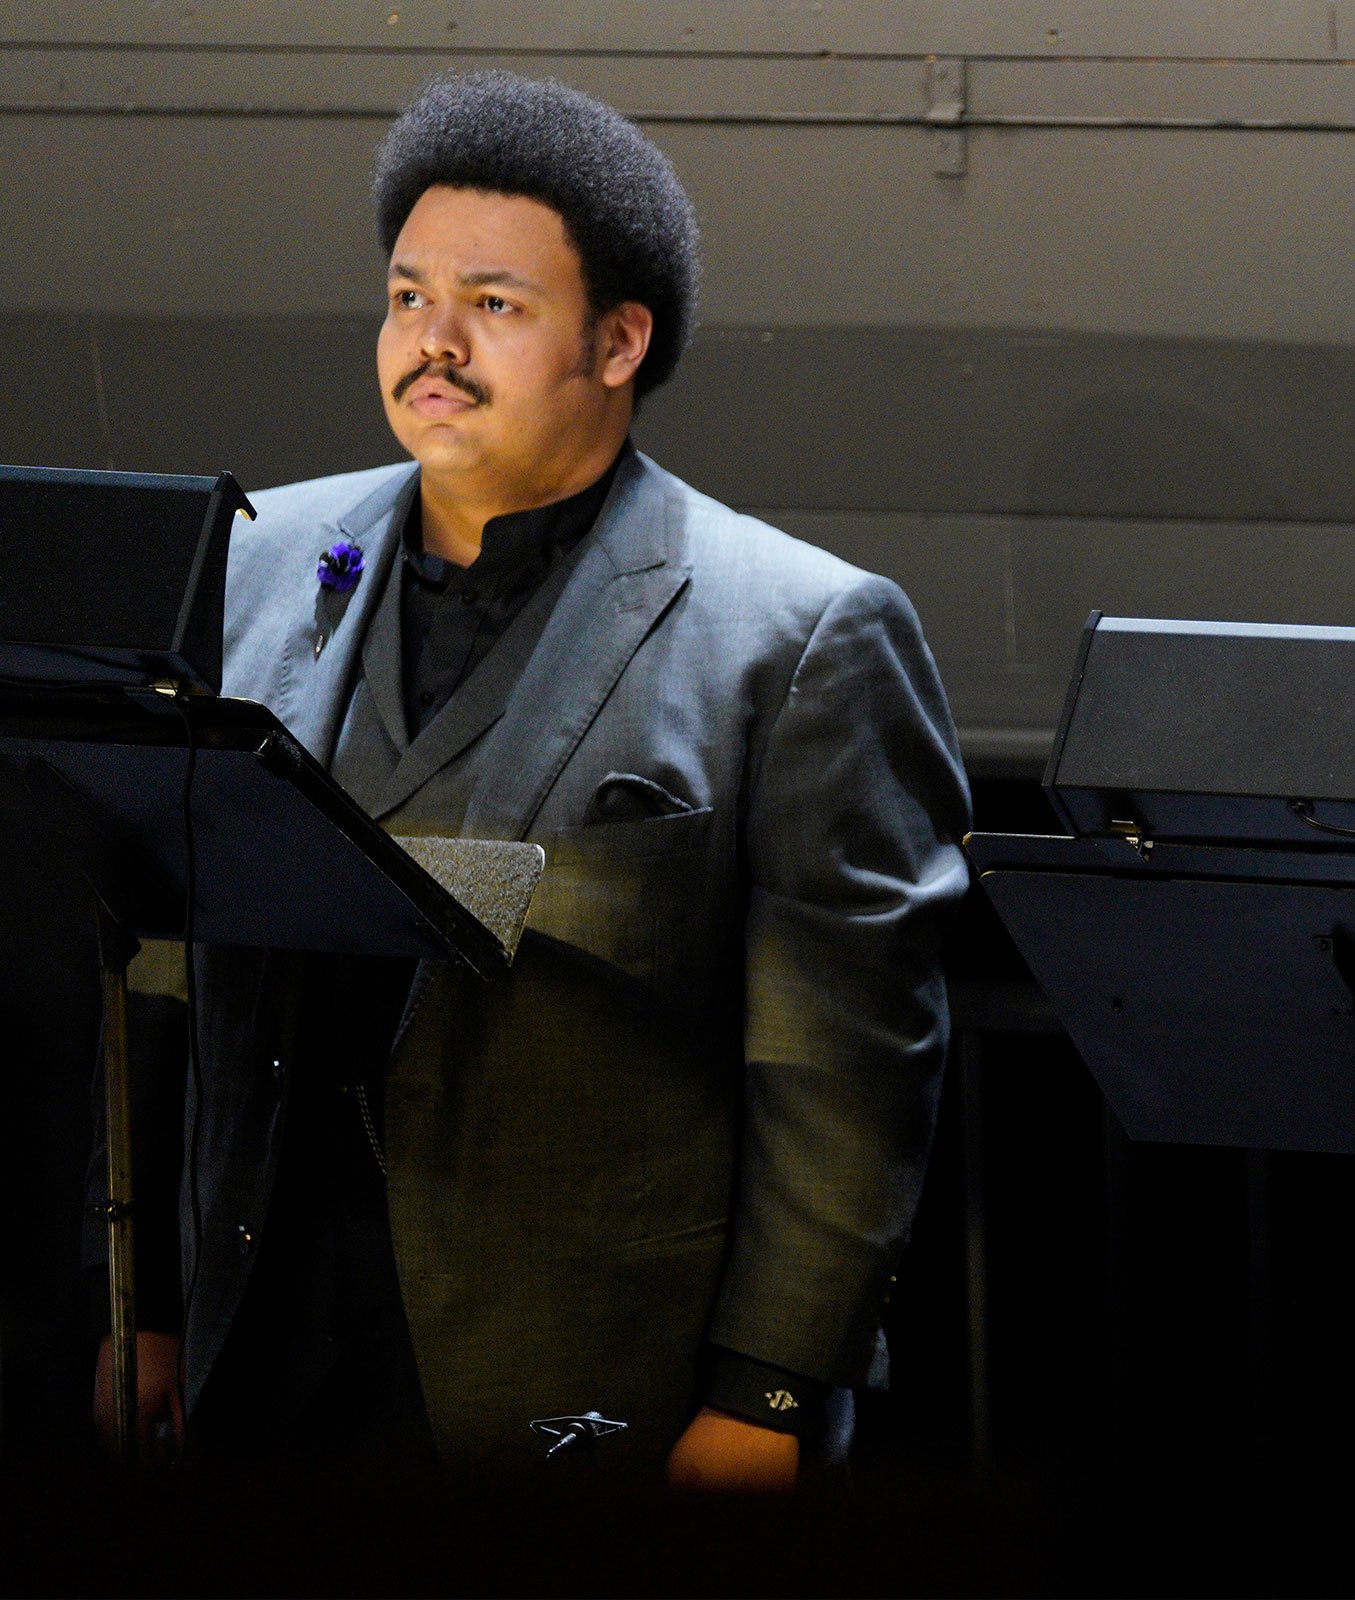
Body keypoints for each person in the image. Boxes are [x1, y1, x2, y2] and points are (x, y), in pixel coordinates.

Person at [91, 71, 969, 1488]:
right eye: (405, 296)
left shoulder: (798, 630)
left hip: (588, 1382)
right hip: (260, 1353)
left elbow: (845, 1071)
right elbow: (155, 960)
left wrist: (772, 1398)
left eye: (492, 305)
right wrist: (137, 1302)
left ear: (618, 341)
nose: (429, 345)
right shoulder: (263, 560)